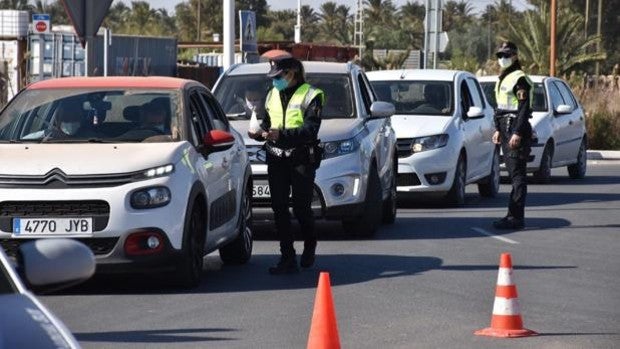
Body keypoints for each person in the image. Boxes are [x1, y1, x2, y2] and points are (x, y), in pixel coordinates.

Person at [248, 55, 324, 274]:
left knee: (301, 208)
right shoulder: (272, 94)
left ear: (292, 74)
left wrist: (281, 134)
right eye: (273, 77)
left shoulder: (312, 95)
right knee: (279, 208)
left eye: (279, 77)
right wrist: (259, 133)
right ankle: (287, 257)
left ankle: (309, 245)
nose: (275, 81)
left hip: (300, 159)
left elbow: (310, 130)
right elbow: (267, 123)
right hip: (276, 158)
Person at [491, 41, 533, 230]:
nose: (502, 59)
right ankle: (511, 215)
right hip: (505, 128)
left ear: (515, 56)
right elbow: (501, 108)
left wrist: (517, 132)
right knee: (513, 173)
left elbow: (524, 109)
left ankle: (517, 218)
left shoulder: (519, 79)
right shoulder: (504, 77)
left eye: (506, 56)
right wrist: (498, 129)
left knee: (517, 176)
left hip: (516, 130)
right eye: (500, 56)